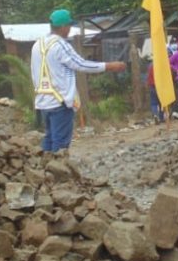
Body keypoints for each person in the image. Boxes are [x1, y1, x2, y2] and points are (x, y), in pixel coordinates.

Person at [30, 8, 125, 153]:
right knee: (60, 145)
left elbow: (33, 72)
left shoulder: (37, 45)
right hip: (60, 102)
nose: (69, 29)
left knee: (49, 140)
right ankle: (57, 172)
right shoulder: (60, 44)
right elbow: (80, 64)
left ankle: (42, 171)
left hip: (43, 102)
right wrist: (109, 66)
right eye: (68, 26)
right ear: (63, 27)